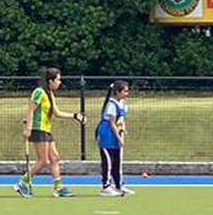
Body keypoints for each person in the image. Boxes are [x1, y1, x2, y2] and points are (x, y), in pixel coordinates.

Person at [15, 67, 84, 198]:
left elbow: (56, 113)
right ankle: (23, 183)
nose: (60, 82)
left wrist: (75, 116)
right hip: (38, 129)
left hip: (46, 129)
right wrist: (28, 129)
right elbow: (31, 110)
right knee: (43, 160)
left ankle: (58, 188)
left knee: (54, 158)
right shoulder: (39, 92)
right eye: (58, 79)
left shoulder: (50, 94)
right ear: (50, 81)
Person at [96, 80, 136, 198]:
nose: (127, 93)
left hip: (115, 133)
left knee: (117, 161)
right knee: (108, 161)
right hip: (107, 134)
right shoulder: (111, 105)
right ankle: (106, 186)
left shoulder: (123, 103)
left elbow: (121, 120)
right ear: (117, 92)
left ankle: (119, 184)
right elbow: (112, 123)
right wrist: (118, 138)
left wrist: (122, 128)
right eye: (125, 91)